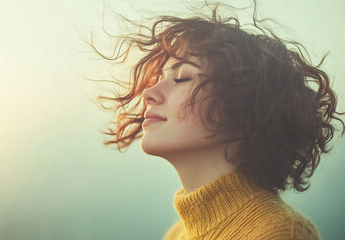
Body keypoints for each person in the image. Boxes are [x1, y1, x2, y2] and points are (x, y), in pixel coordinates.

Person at [89, 2, 344, 239]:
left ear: (241, 105)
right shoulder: (178, 233)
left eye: (181, 78)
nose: (149, 93)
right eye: (161, 77)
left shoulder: (277, 233)